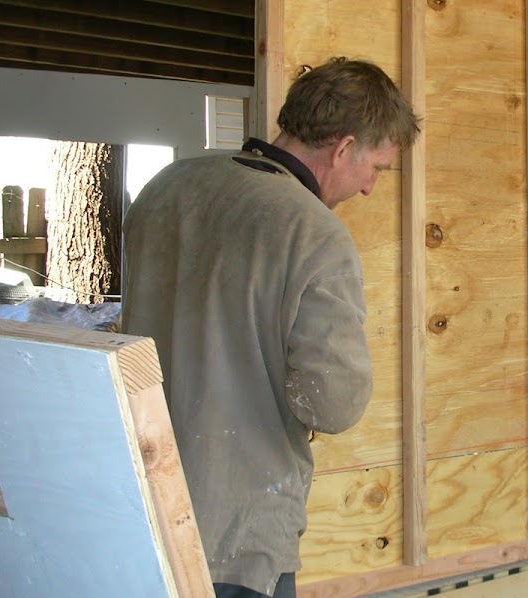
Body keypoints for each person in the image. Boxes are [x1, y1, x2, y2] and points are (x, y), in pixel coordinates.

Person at [121, 57, 420, 598]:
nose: (372, 188)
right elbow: (332, 404)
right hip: (236, 526)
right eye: (376, 168)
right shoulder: (314, 232)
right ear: (344, 148)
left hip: (138, 498)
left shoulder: (165, 188)